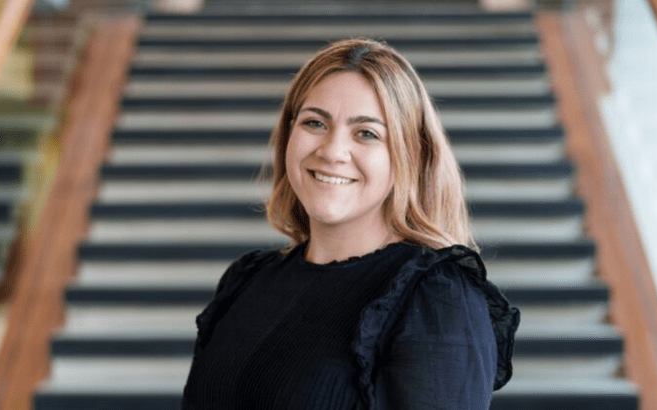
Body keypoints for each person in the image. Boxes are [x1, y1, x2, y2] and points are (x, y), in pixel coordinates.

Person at [181, 38, 519, 410]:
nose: (331, 151)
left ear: (408, 155)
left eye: (367, 133)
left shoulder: (436, 297)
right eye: (315, 122)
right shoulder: (247, 280)